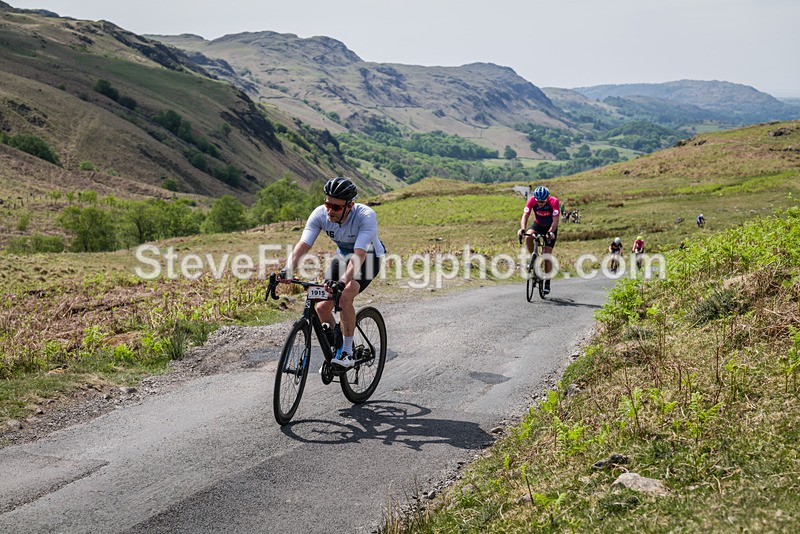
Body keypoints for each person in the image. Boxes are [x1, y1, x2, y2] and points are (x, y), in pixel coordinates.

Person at [279, 177, 386, 368]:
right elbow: (303, 246)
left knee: (344, 296)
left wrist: (343, 282)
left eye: (336, 207)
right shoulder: (320, 214)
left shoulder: (365, 216)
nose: (330, 210)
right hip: (343, 255)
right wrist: (287, 269)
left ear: (350, 206)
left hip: (369, 257)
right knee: (321, 308)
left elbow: (359, 255)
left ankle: (347, 352)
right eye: (327, 204)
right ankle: (338, 343)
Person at [517, 185, 560, 295]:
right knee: (528, 237)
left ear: (547, 198)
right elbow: (525, 215)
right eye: (538, 201)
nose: (540, 203)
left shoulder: (554, 201)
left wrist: (550, 232)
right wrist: (522, 228)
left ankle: (547, 282)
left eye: (542, 201)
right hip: (538, 224)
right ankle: (534, 258)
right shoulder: (532, 200)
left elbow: (555, 220)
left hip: (550, 227)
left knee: (547, 254)